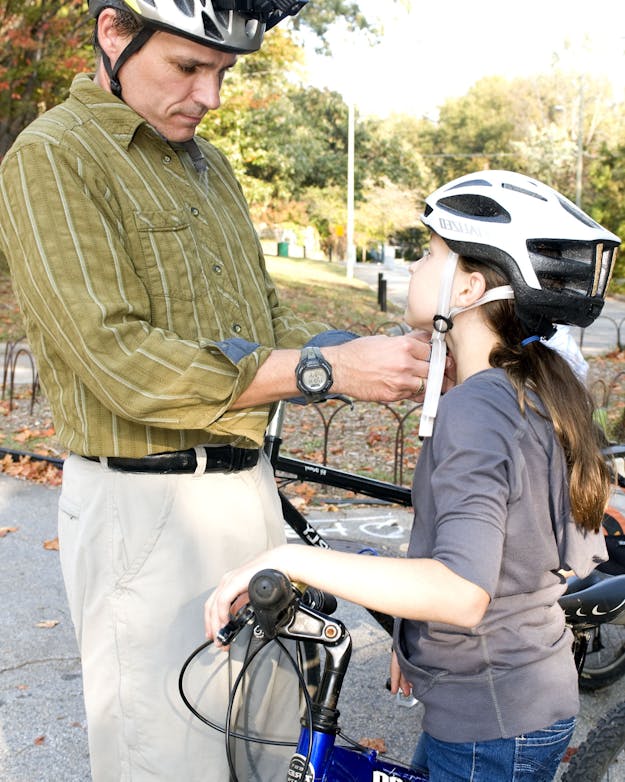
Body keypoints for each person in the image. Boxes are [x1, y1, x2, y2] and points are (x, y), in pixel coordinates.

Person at [0, 1, 442, 779]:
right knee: (170, 759)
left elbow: (266, 332)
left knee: (268, 749)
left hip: (249, 494)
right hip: (144, 509)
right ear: (113, 33)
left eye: (223, 73)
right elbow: (118, 360)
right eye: (187, 68)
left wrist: (372, 357)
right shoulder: (52, 157)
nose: (209, 97)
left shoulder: (210, 166)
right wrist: (325, 370)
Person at [205, 170, 621, 782]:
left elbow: (459, 590)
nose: (415, 266)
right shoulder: (526, 386)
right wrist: (414, 637)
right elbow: (501, 551)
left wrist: (290, 558)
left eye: (430, 254)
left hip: (491, 717)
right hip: (504, 695)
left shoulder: (476, 408)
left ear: (470, 286)